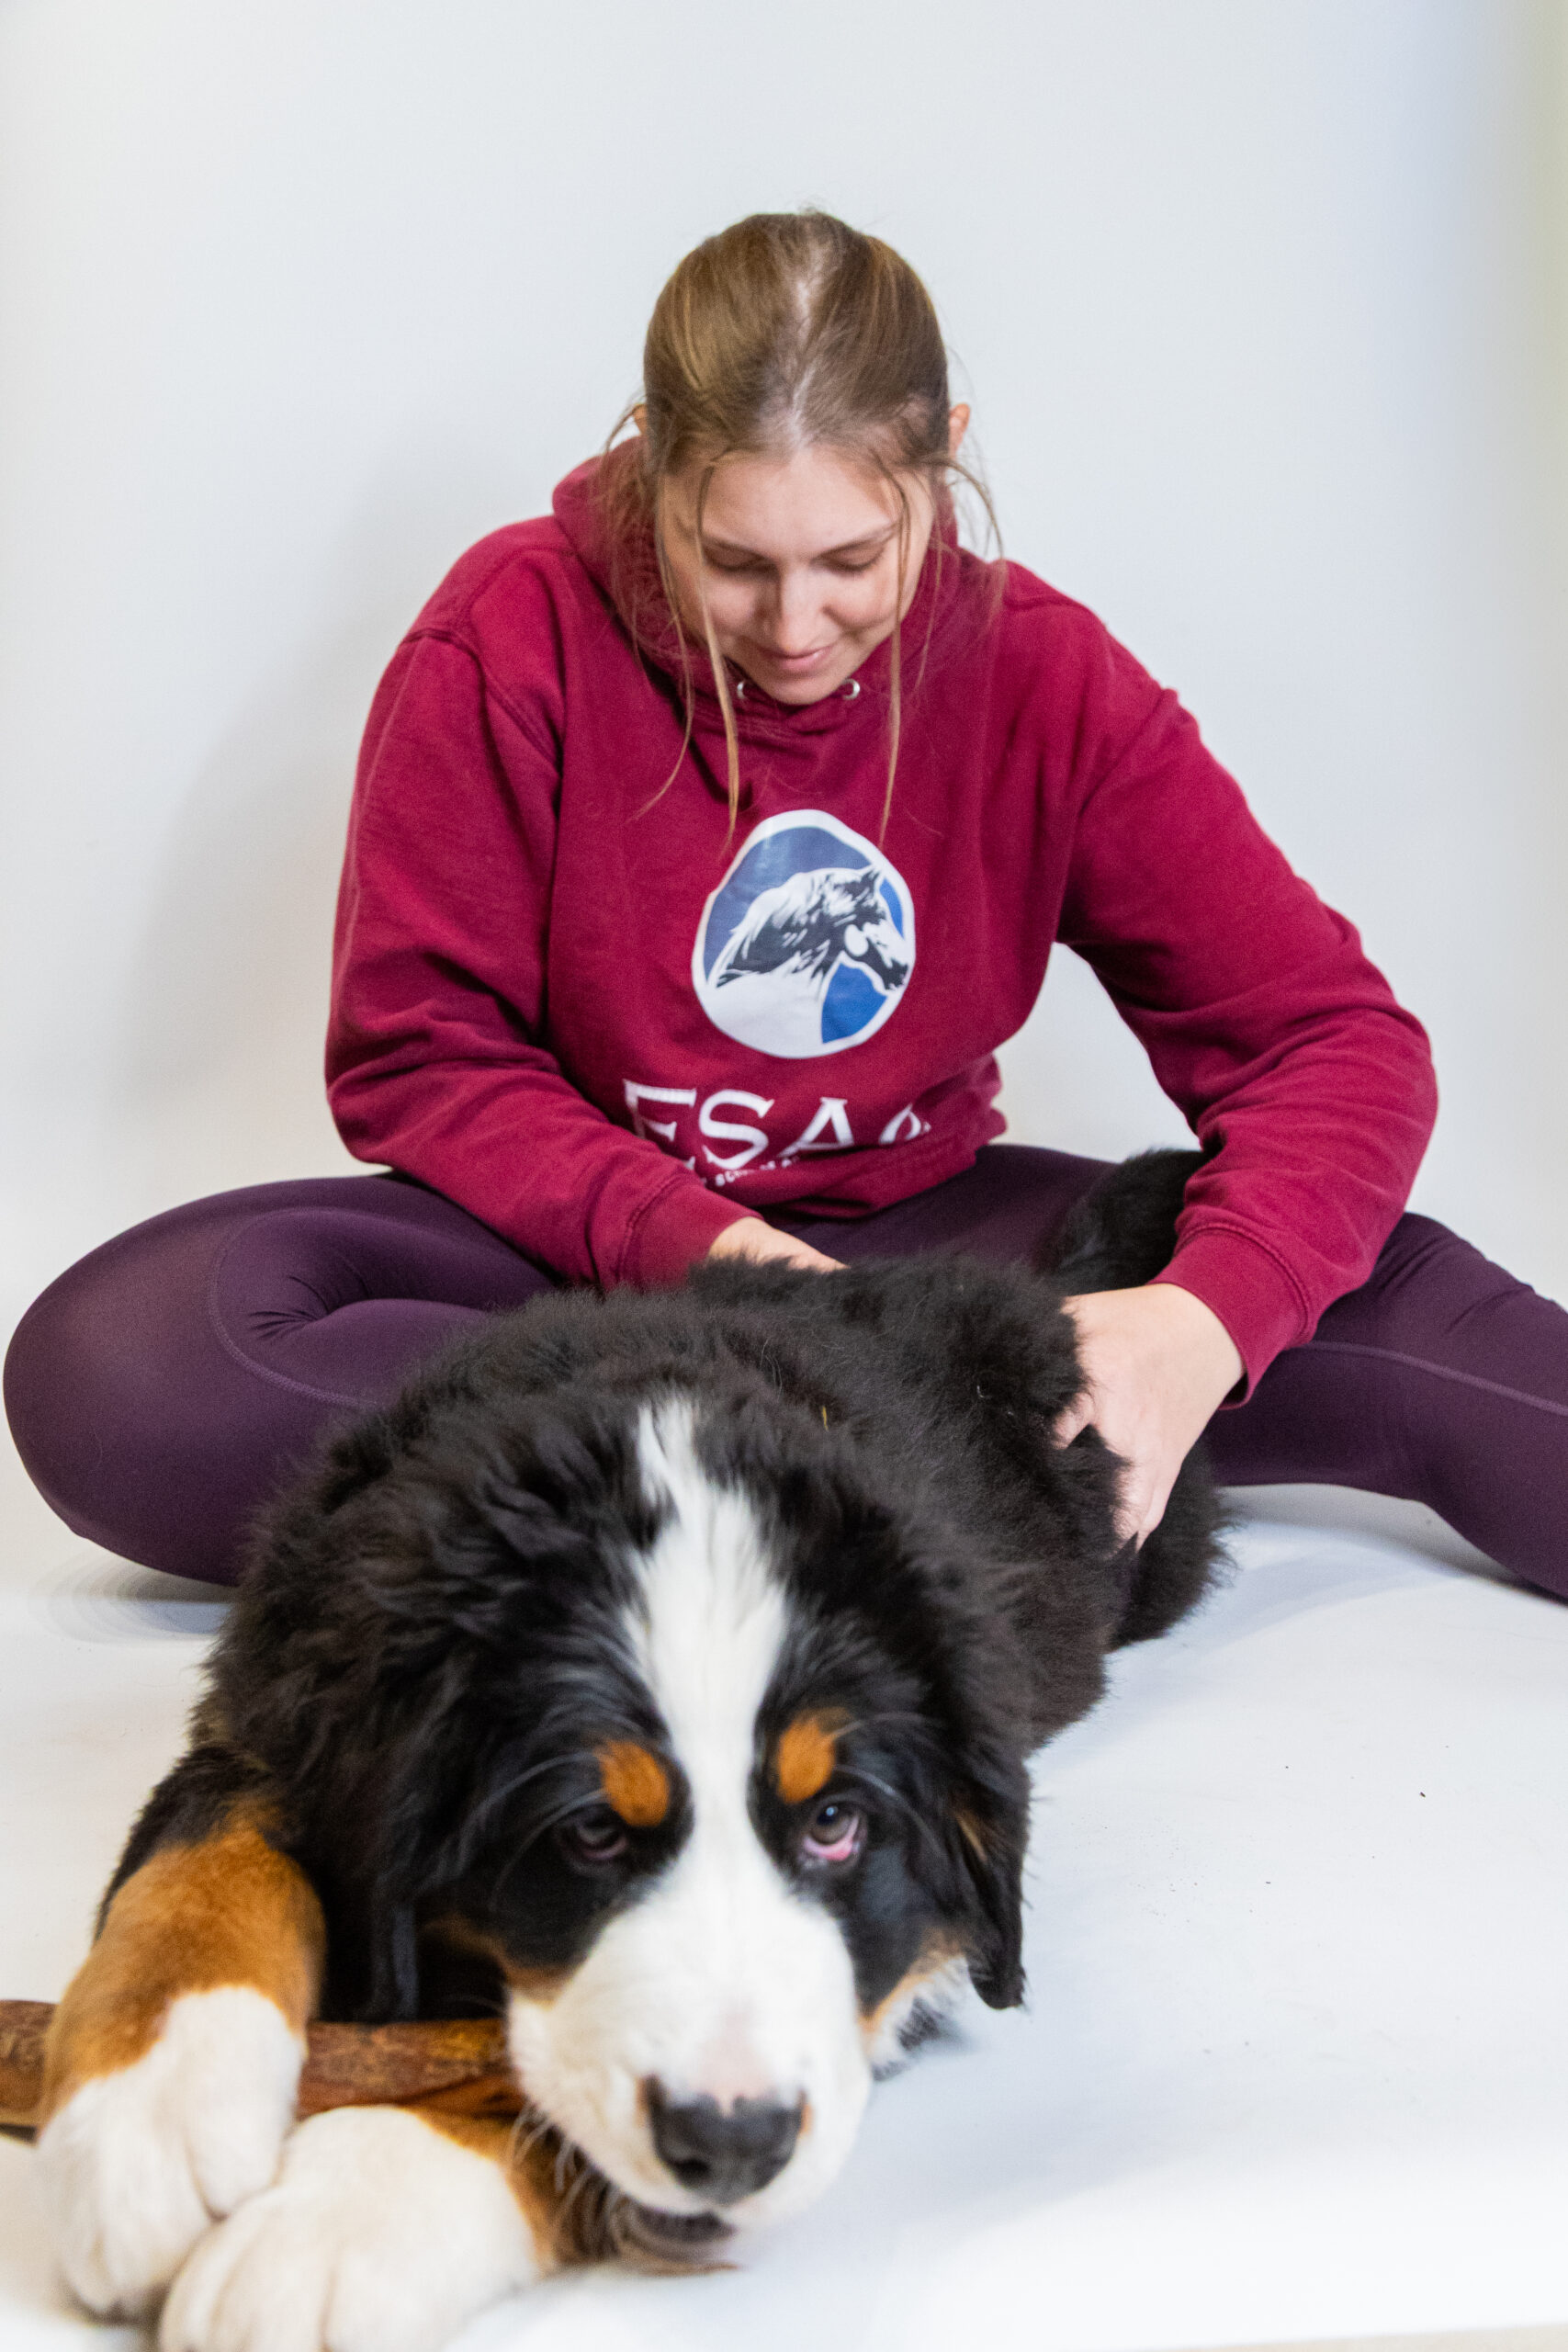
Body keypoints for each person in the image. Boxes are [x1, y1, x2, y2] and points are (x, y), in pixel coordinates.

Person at [6, 211, 1565, 1598]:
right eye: (734, 559)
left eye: (851, 559)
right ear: (654, 460)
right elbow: (420, 1055)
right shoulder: (509, 635)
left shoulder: (1045, 677)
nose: (795, 625)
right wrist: (724, 1267)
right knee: (132, 1374)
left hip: (926, 1263)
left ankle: (765, 1485)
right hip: (595, 1270)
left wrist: (1197, 1328)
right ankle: (926, 1487)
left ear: (944, 450)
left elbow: (1330, 1043)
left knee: (1418, 1319)